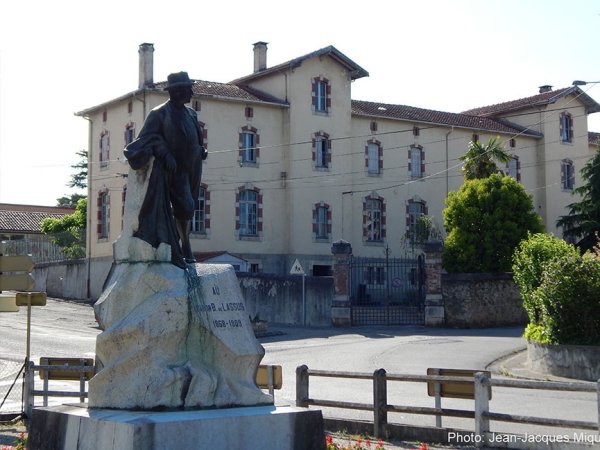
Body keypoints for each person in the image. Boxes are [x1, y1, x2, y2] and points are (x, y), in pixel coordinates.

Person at [124, 71, 207, 268]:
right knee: (185, 206)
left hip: (193, 166)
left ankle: (181, 242)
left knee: (189, 207)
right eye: (187, 89)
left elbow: (195, 136)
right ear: (176, 92)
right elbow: (145, 140)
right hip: (174, 170)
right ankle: (185, 246)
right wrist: (164, 153)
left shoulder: (191, 114)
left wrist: (200, 150)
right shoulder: (159, 114)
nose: (191, 92)